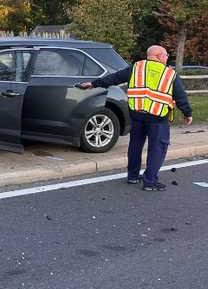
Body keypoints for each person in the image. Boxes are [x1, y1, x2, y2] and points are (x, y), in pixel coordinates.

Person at [79, 45, 193, 191]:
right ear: (158, 56)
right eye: (165, 55)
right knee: (157, 148)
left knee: (135, 145)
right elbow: (180, 95)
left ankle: (132, 176)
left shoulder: (136, 67)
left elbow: (114, 78)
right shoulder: (169, 73)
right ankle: (150, 182)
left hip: (137, 115)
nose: (166, 58)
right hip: (157, 117)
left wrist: (93, 84)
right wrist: (187, 113)